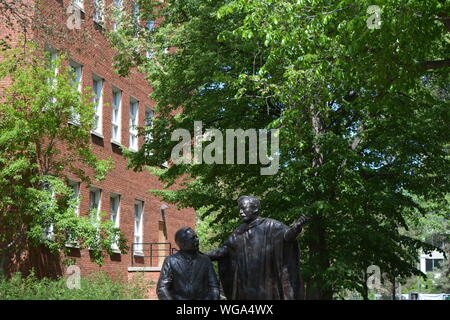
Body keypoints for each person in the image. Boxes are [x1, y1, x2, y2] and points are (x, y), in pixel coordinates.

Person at [205, 195, 309, 300]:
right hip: (245, 285)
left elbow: (287, 237)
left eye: (244, 208)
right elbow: (223, 251)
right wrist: (201, 255)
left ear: (255, 208)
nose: (240, 212)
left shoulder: (271, 226)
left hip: (266, 284)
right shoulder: (238, 232)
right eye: (240, 209)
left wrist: (296, 228)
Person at [157, 226, 220, 300]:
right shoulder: (171, 261)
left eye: (196, 237)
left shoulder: (205, 260)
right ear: (182, 243)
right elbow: (162, 288)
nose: (197, 240)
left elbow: (214, 287)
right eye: (192, 238)